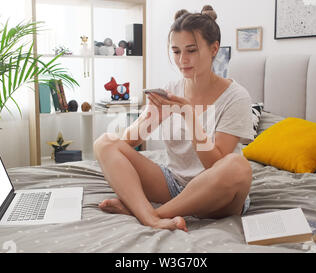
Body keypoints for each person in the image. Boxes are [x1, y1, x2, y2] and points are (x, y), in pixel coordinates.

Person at [93, 5, 254, 232]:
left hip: (218, 195)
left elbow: (215, 166)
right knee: (105, 142)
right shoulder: (171, 90)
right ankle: (150, 215)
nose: (182, 60)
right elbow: (126, 144)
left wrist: (188, 115)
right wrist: (148, 118)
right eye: (176, 52)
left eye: (191, 50)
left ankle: (150, 215)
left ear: (214, 49)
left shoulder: (236, 97)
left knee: (238, 166)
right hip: (173, 184)